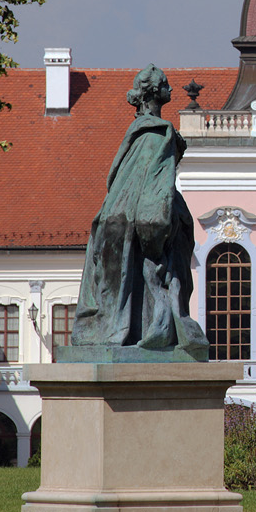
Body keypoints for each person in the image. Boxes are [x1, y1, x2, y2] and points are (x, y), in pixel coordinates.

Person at [69, 65, 207, 360]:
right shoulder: (162, 134)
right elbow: (157, 188)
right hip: (143, 215)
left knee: (120, 288)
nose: (171, 88)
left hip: (113, 219)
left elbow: (121, 180)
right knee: (162, 267)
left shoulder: (135, 134)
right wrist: (159, 231)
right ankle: (157, 329)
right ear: (158, 93)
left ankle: (122, 330)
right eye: (167, 85)